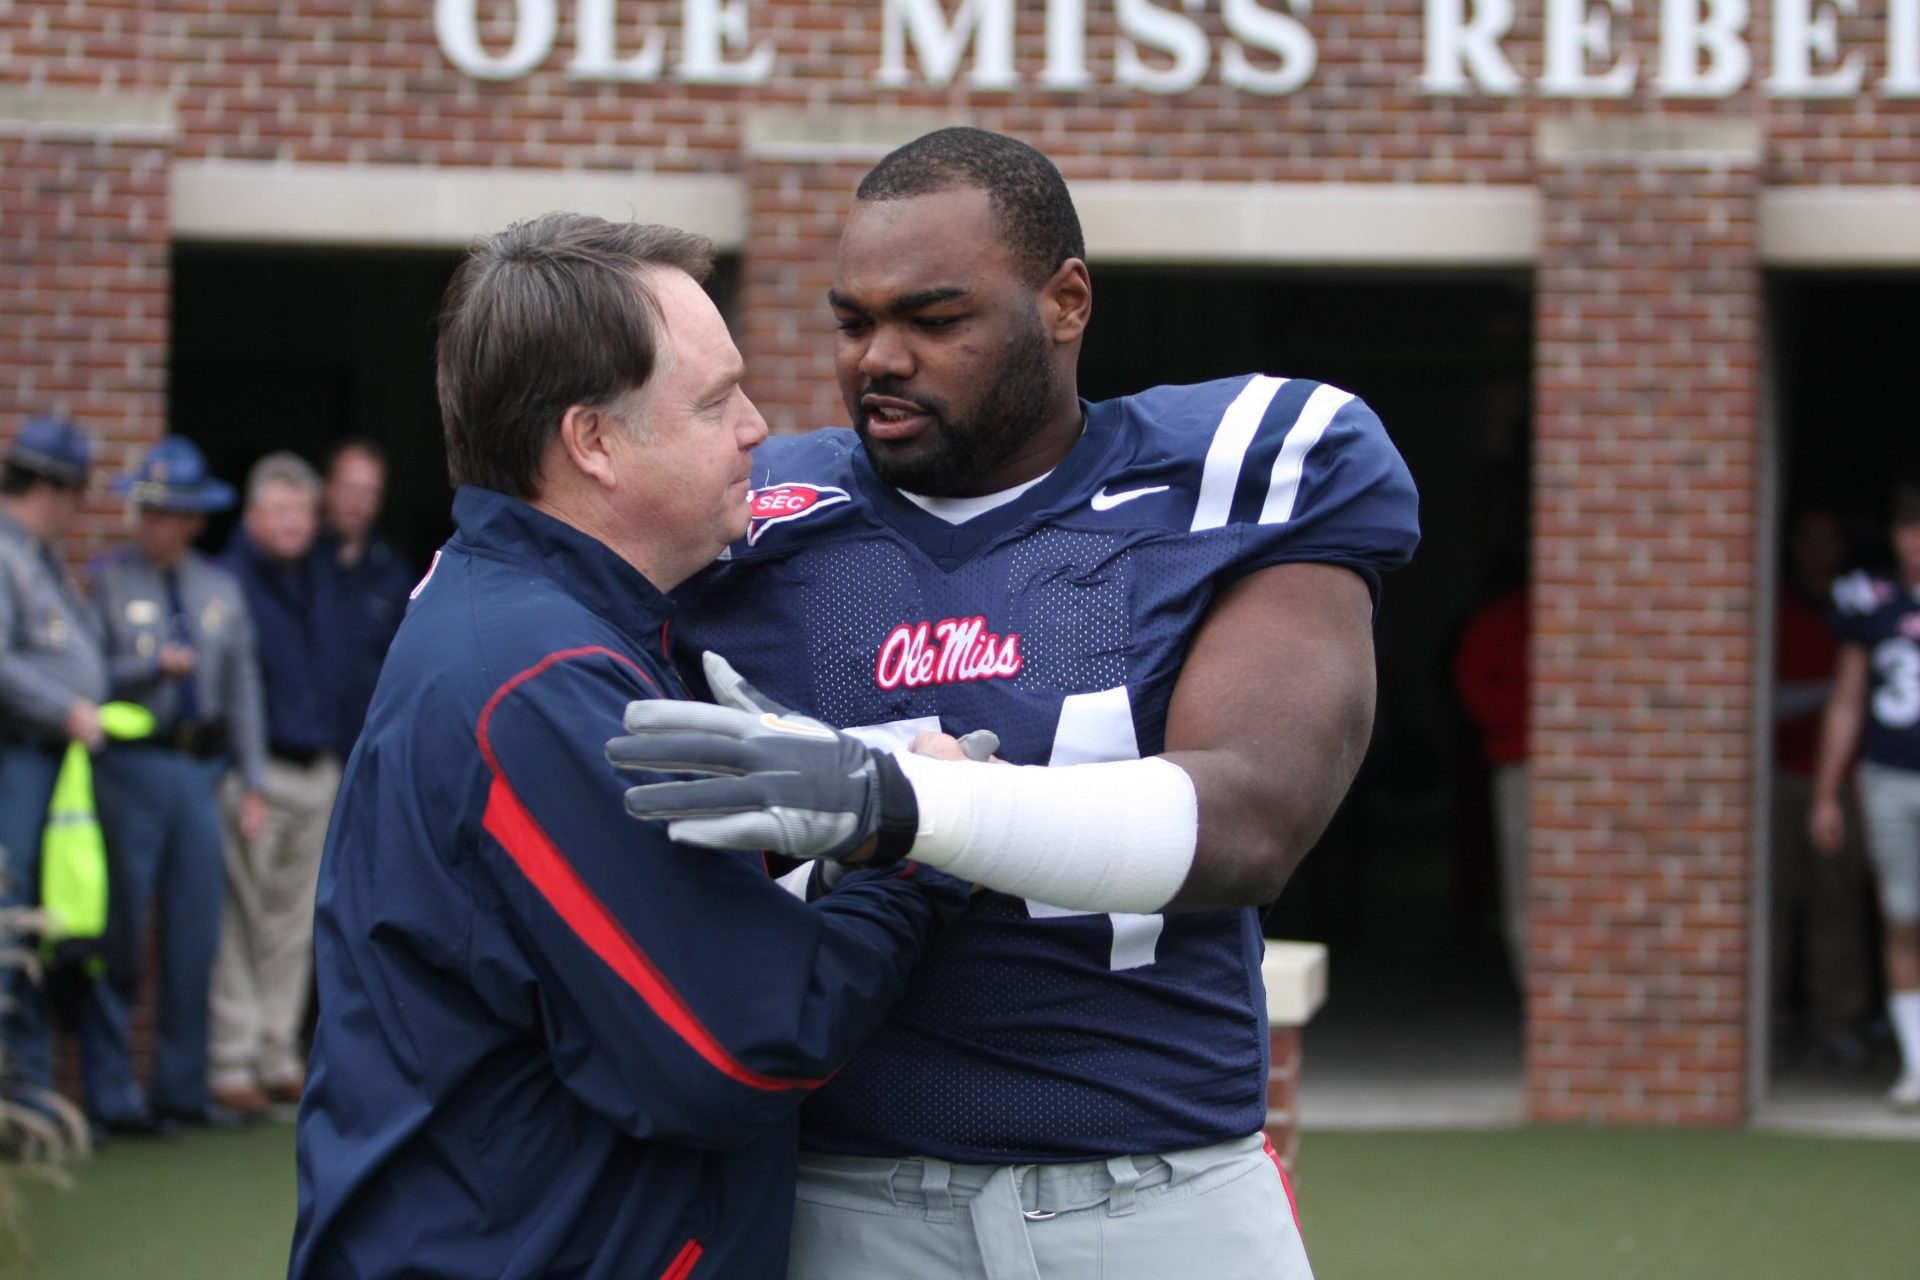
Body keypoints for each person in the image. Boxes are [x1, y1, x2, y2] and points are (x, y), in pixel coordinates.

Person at [611, 128, 1420, 1280]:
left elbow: (1247, 823)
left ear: (1064, 301)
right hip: (841, 1194)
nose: (879, 358)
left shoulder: (1241, 472)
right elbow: (493, 627)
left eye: (934, 319)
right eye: (853, 321)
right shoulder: (755, 514)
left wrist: (895, 798)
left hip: (1157, 1189)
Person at [288, 213, 970, 1279]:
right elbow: (734, 1047)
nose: (757, 426)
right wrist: (915, 832)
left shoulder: (529, 623)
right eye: (714, 400)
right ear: (592, 442)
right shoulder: (536, 677)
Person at [84, 436, 269, 1133]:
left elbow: (245, 690)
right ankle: (113, 1095)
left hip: (201, 774)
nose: (153, 522)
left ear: (193, 520)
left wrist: (252, 781)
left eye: (168, 512)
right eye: (148, 508)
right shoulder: (108, 579)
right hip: (130, 770)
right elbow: (92, 676)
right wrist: (150, 669)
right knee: (124, 933)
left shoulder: (220, 587)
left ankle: (180, 1091)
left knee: (196, 935)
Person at [0, 414, 150, 1129]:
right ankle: (18, 1093)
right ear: (52, 490)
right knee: (18, 919)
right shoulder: (4, 552)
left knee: (57, 922)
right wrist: (66, 712)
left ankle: (30, 1092)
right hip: (21, 763)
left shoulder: (38, 555)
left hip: (57, 769)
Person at [211, 452, 340, 1117]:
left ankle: (276, 1055)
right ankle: (231, 1061)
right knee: (245, 920)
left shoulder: (318, 577)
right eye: (280, 509)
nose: (294, 522)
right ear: (254, 516)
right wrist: (248, 775)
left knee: (294, 925)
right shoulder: (228, 581)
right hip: (256, 777)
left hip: (317, 772)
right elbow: (234, 694)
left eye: (302, 510)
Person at [1812, 485, 1920, 1109]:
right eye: (1907, 527)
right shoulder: (1871, 600)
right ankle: (1914, 1062)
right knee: (1903, 916)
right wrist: (1827, 793)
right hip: (1888, 776)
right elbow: (1847, 701)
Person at [1770, 509, 1871, 1068]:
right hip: (1784, 772)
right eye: (1807, 538)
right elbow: (1765, 696)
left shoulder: (1860, 606)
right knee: (1777, 900)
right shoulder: (1775, 605)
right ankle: (1773, 1016)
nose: (1816, 549)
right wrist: (1837, 696)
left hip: (1848, 778)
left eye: (1827, 537)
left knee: (1840, 902)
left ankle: (1839, 1020)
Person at [1454, 583, 1530, 985]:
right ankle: (1532, 992)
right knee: (1521, 881)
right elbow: (1475, 686)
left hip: (1577, 765)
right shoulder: (1499, 621)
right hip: (1520, 764)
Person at [318, 438, 412, 753]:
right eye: (349, 488)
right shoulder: (297, 564)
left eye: (369, 492)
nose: (357, 502)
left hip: (366, 746)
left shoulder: (393, 574)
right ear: (327, 488)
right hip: (305, 753)